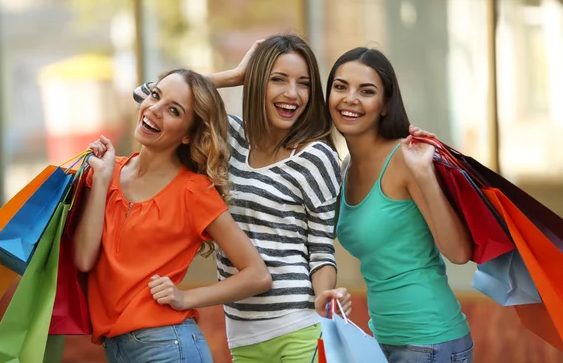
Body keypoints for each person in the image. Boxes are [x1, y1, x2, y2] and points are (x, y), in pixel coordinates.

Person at [136, 35, 351, 363]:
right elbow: (149, 95)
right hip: (241, 333)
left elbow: (321, 249)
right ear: (256, 83)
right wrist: (233, 76)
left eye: (303, 83)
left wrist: (325, 296)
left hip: (298, 326)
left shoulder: (316, 157)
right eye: (278, 79)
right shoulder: (230, 138)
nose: (291, 93)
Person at [73, 69, 272, 363]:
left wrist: (185, 298)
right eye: (155, 96)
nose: (154, 110)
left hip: (168, 347)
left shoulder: (194, 192)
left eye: (174, 110)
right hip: (118, 350)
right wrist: (101, 180)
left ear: (188, 134)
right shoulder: (106, 170)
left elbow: (258, 275)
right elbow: (83, 259)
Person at [326, 47, 474, 363]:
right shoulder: (344, 169)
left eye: (366, 91)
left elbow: (459, 252)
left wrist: (424, 175)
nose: (350, 98)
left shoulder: (406, 160)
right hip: (381, 341)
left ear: (385, 105)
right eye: (340, 87)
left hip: (430, 341)